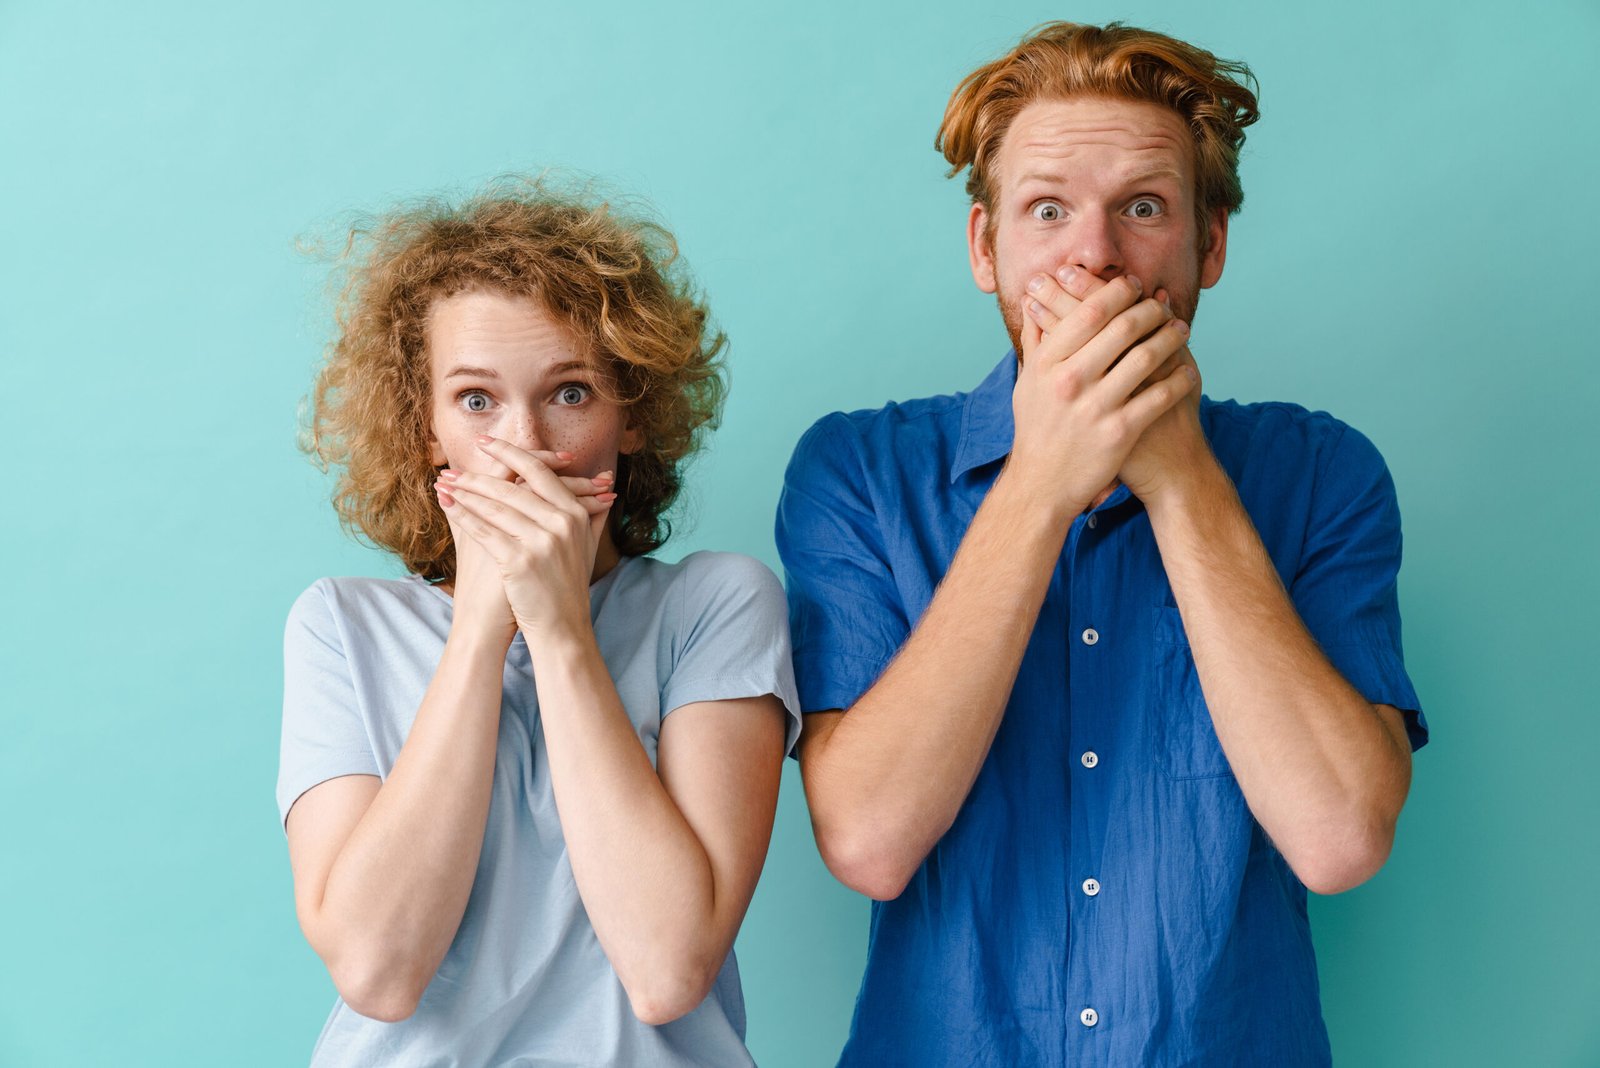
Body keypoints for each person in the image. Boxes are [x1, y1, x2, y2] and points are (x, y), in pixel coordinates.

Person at [775, 22, 1427, 1066]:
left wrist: (1176, 473)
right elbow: (867, 842)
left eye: (1142, 207)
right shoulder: (857, 474)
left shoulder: (1323, 477)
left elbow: (1340, 839)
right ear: (986, 247)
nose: (1094, 255)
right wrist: (1041, 480)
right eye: (1047, 210)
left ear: (1207, 244)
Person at [278, 179, 799, 1067]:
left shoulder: (716, 606)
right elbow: (378, 970)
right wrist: (484, 623)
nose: (523, 446)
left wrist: (559, 631)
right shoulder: (340, 626)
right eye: (477, 401)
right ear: (428, 428)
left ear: (631, 415)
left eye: (569, 393)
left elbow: (668, 967)